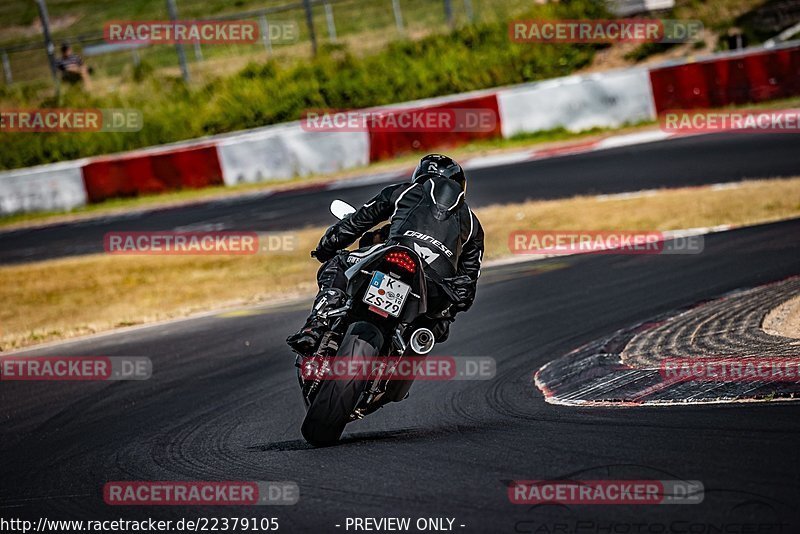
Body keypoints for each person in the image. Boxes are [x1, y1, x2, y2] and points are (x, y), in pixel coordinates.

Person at [287, 154, 484, 354]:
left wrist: (325, 247)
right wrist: (450, 309)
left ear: (420, 175)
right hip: (433, 287)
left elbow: (355, 223)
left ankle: (316, 325)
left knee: (338, 263)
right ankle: (404, 358)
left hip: (396, 256)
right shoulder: (473, 224)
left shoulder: (403, 191)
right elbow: (467, 288)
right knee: (438, 326)